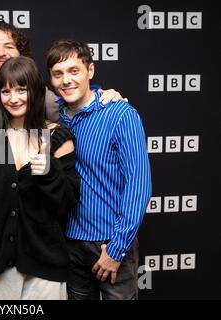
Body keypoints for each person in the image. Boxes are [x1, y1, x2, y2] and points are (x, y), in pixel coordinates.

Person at [45, 39, 152, 300]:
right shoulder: (57, 115)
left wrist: (116, 249)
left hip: (110, 243)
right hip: (70, 243)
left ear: (90, 71)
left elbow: (139, 186)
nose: (66, 80)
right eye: (58, 74)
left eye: (74, 71)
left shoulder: (120, 114)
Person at [0, 56, 80, 300]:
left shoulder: (58, 137)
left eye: (21, 89)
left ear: (37, 91)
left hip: (45, 261)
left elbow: (67, 203)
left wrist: (49, 172)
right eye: (6, 91)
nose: (14, 98)